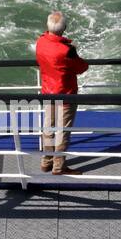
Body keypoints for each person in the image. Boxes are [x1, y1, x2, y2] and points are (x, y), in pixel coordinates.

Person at [35, 11, 89, 175]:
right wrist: (74, 52)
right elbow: (82, 67)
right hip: (65, 94)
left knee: (48, 127)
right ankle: (59, 166)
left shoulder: (40, 42)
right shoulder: (67, 50)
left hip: (48, 92)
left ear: (47, 26)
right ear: (64, 28)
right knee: (62, 131)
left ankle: (46, 161)